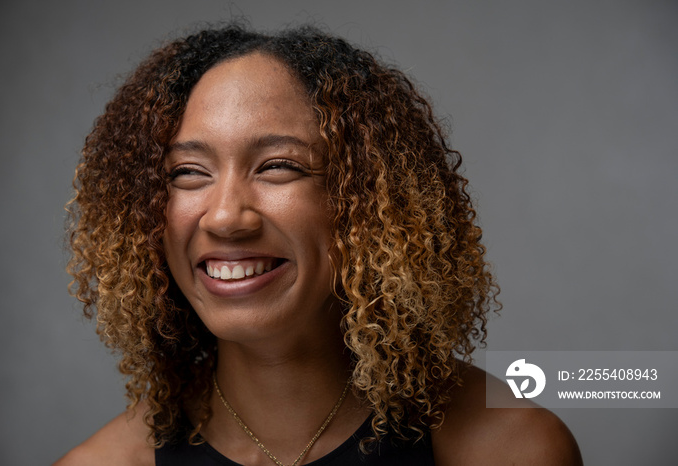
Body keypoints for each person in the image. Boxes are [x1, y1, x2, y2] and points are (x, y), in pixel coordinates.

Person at [56, 24, 582, 465]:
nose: (224, 216)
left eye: (279, 166)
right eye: (188, 172)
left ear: (368, 200)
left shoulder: (510, 449)